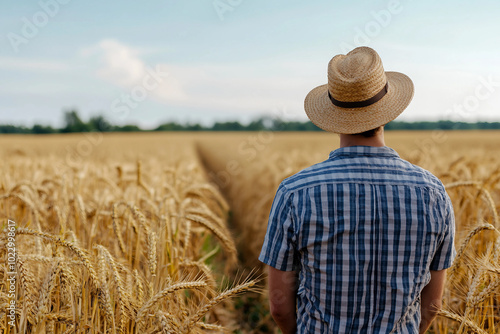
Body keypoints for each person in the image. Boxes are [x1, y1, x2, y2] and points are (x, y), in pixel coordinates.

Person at [258, 46, 456, 333]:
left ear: (333, 113)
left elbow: (279, 305)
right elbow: (433, 305)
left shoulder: (295, 192)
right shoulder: (434, 193)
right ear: (387, 110)